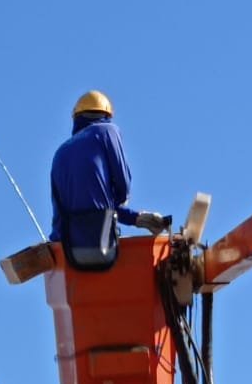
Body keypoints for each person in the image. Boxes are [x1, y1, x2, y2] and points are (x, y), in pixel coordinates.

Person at [49, 90, 167, 270]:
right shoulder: (107, 131)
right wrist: (121, 198)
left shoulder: (60, 153)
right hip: (100, 249)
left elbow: (84, 205)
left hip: (66, 251)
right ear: (106, 115)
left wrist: (136, 218)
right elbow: (122, 185)